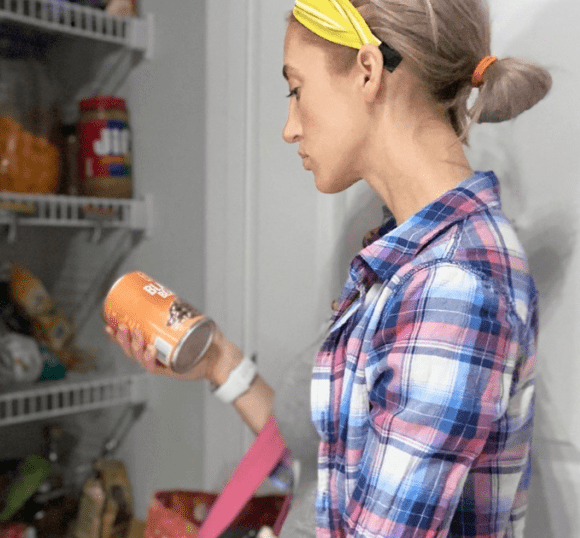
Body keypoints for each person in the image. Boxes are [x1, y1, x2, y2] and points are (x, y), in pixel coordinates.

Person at [107, 0, 550, 536]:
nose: (290, 128)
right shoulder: (403, 256)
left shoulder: (450, 286)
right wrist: (217, 359)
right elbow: (332, 474)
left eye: (296, 89)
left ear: (367, 71)